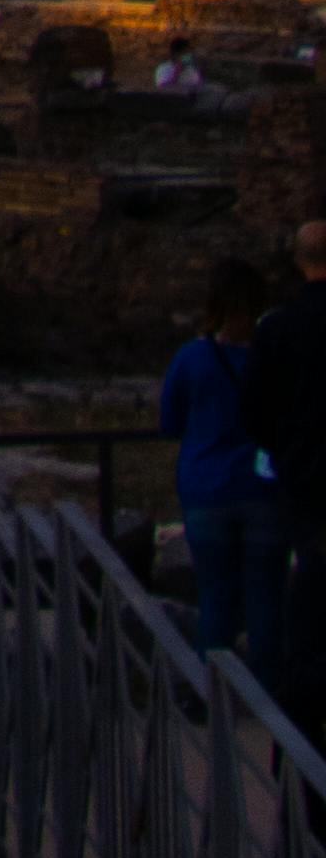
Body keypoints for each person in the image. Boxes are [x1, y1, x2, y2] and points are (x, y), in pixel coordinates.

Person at [163, 262, 271, 657]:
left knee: (215, 599)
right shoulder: (271, 356)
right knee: (265, 600)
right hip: (264, 490)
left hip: (206, 488)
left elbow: (169, 421)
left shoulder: (192, 358)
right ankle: (268, 701)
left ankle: (211, 694)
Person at [242, 213, 326, 718]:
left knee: (311, 597)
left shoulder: (277, 328)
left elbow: (252, 409)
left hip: (304, 481)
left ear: (299, 262)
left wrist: (285, 447)